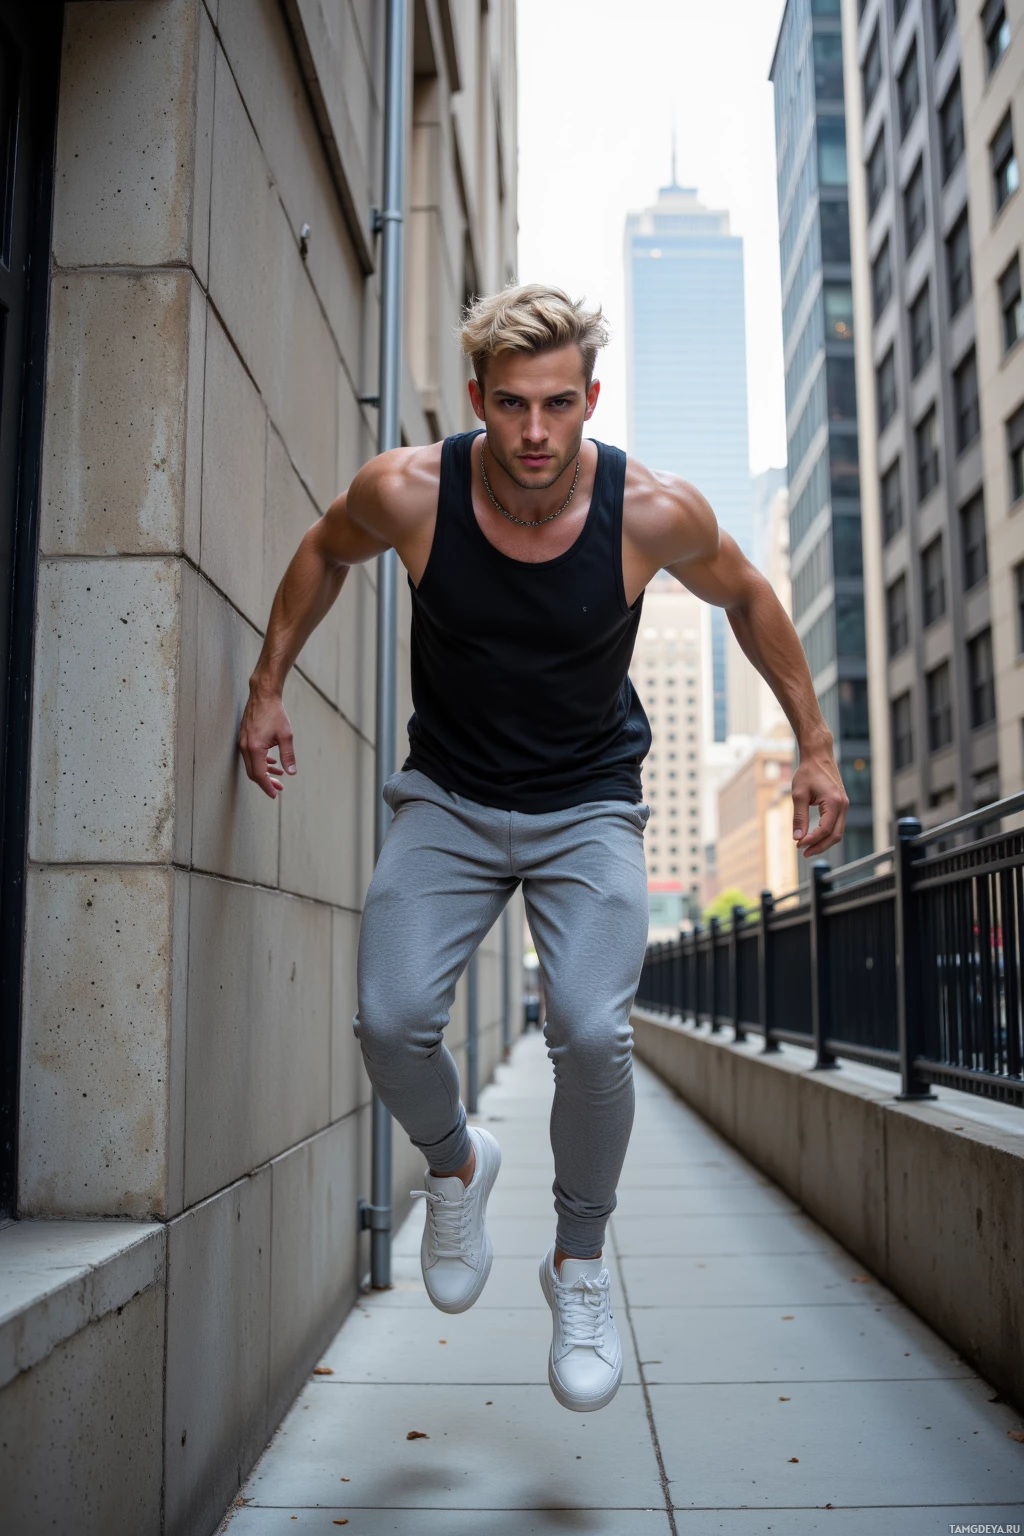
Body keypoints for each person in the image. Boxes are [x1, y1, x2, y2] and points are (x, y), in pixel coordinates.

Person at [238, 284, 848, 1413]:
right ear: (476, 399)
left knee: (586, 1026)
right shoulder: (409, 492)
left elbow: (750, 598)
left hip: (587, 807)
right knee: (388, 1019)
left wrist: (814, 744)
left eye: (557, 405)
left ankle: (577, 1263)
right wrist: (268, 686)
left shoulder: (651, 510)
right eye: (510, 405)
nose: (533, 433)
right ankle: (457, 1164)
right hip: (451, 799)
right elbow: (324, 553)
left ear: (589, 400)